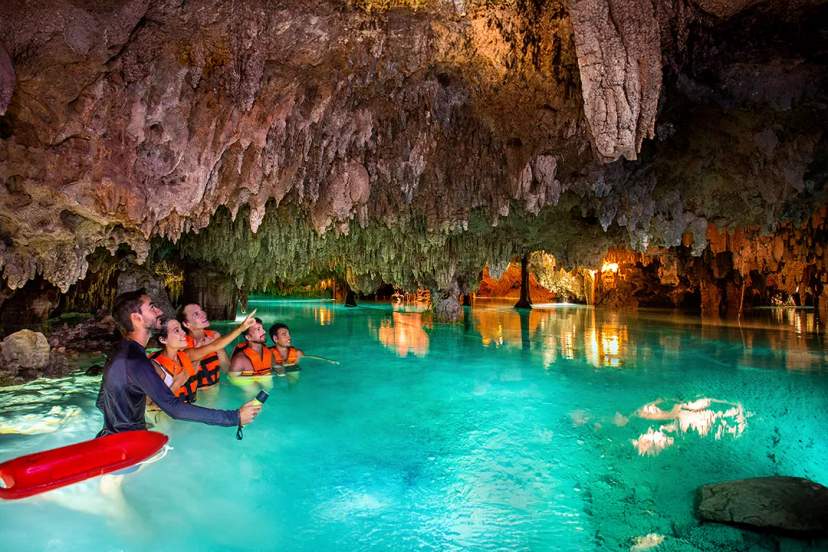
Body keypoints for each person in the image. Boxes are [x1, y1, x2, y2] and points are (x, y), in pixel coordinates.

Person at [96, 289, 261, 437]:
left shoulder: (120, 352)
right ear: (136, 318)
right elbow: (174, 408)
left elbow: (102, 402)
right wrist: (235, 417)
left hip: (114, 435)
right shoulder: (136, 361)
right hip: (129, 443)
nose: (159, 310)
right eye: (152, 307)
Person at [178, 303, 230, 390]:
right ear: (187, 324)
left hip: (215, 389)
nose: (203, 314)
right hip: (196, 394)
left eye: (201, 310)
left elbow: (226, 367)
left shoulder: (214, 336)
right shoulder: (182, 344)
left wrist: (217, 346)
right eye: (196, 314)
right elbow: (185, 378)